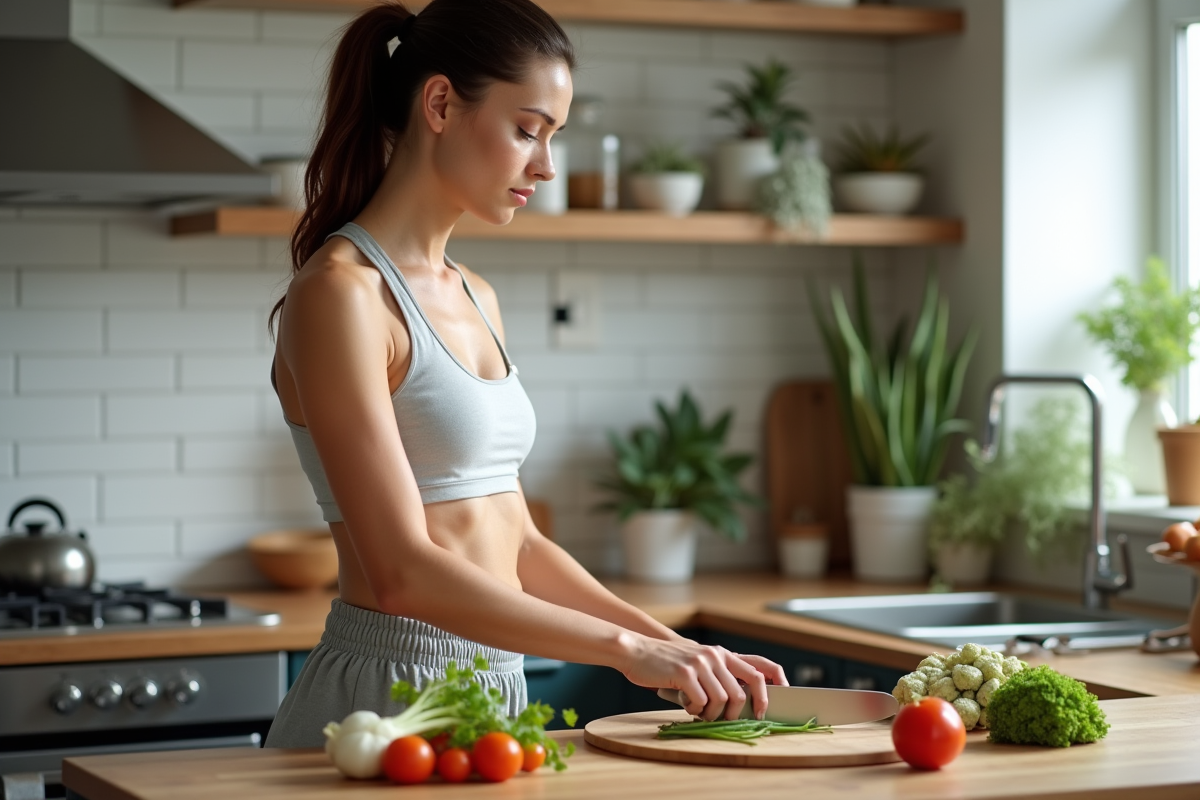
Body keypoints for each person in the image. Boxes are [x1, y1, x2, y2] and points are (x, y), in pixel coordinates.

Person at [263, 0, 786, 748]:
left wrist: (679, 650)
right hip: (384, 705)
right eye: (526, 130)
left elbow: (519, 543)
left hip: (495, 696)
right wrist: (628, 651)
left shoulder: (478, 296)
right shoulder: (341, 294)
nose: (544, 165)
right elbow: (401, 572)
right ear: (439, 103)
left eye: (552, 138)